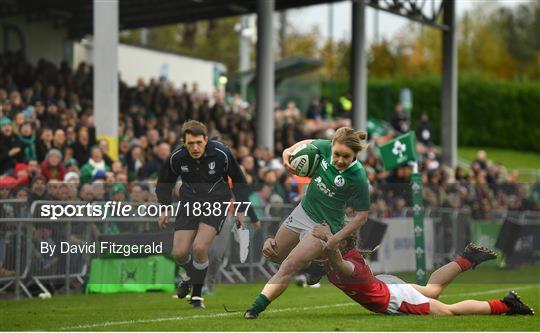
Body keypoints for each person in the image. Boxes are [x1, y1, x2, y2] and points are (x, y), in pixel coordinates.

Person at [244, 127, 370, 319]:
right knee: (274, 255)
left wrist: (335, 238)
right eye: (337, 154)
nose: (340, 160)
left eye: (346, 156)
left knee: (289, 265)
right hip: (302, 211)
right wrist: (287, 156)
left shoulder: (358, 176)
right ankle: (315, 268)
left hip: (323, 227)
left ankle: (255, 308)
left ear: (355, 155)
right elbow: (297, 147)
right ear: (332, 146)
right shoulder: (325, 147)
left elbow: (362, 216)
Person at [311, 223, 534, 316]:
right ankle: (466, 260)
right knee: (432, 290)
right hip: (386, 285)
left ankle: (505, 304)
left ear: (341, 243)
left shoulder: (349, 264)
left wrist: (328, 237)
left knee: (447, 311)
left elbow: (338, 262)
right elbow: (322, 262)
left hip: (392, 296)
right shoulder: (330, 254)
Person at [156, 120, 258, 309]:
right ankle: (191, 274)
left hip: (216, 202)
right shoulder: (176, 157)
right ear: (183, 142)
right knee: (178, 253)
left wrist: (241, 209)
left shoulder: (221, 153)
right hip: (189, 203)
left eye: (199, 143)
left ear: (206, 139)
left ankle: (196, 296)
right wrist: (164, 207)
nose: (195, 148)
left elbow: (240, 180)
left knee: (200, 248)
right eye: (190, 143)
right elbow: (164, 182)